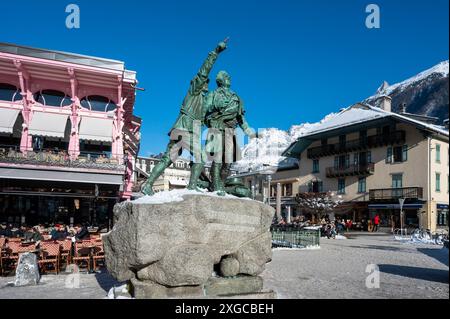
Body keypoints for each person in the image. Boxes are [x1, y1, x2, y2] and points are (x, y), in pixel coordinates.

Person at [141, 40, 227, 195]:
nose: (207, 85)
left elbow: (206, 120)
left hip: (185, 129)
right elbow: (204, 70)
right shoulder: (194, 90)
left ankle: (147, 184)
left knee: (168, 158)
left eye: (206, 83)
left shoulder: (202, 102)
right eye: (205, 83)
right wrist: (215, 52)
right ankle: (192, 186)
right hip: (185, 128)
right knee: (200, 155)